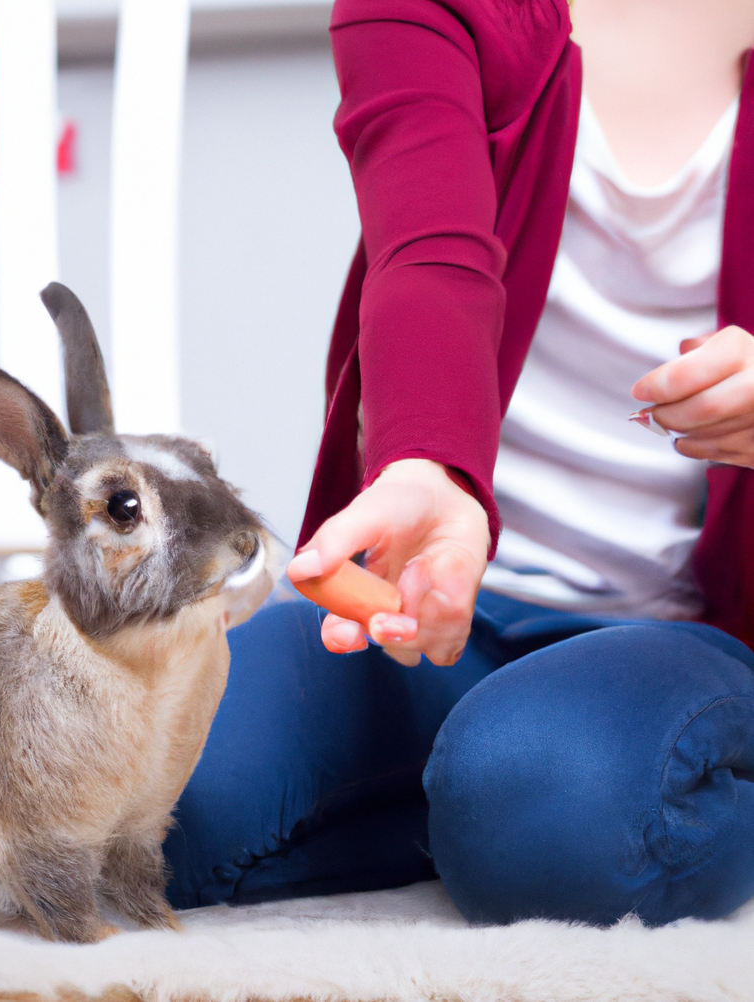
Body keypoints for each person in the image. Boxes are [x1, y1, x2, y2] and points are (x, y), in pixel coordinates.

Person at [164, 0, 754, 926]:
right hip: (429, 609)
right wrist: (428, 466)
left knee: (545, 801)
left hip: (689, 637)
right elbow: (427, 248)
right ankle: (489, 802)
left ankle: (527, 796)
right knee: (150, 795)